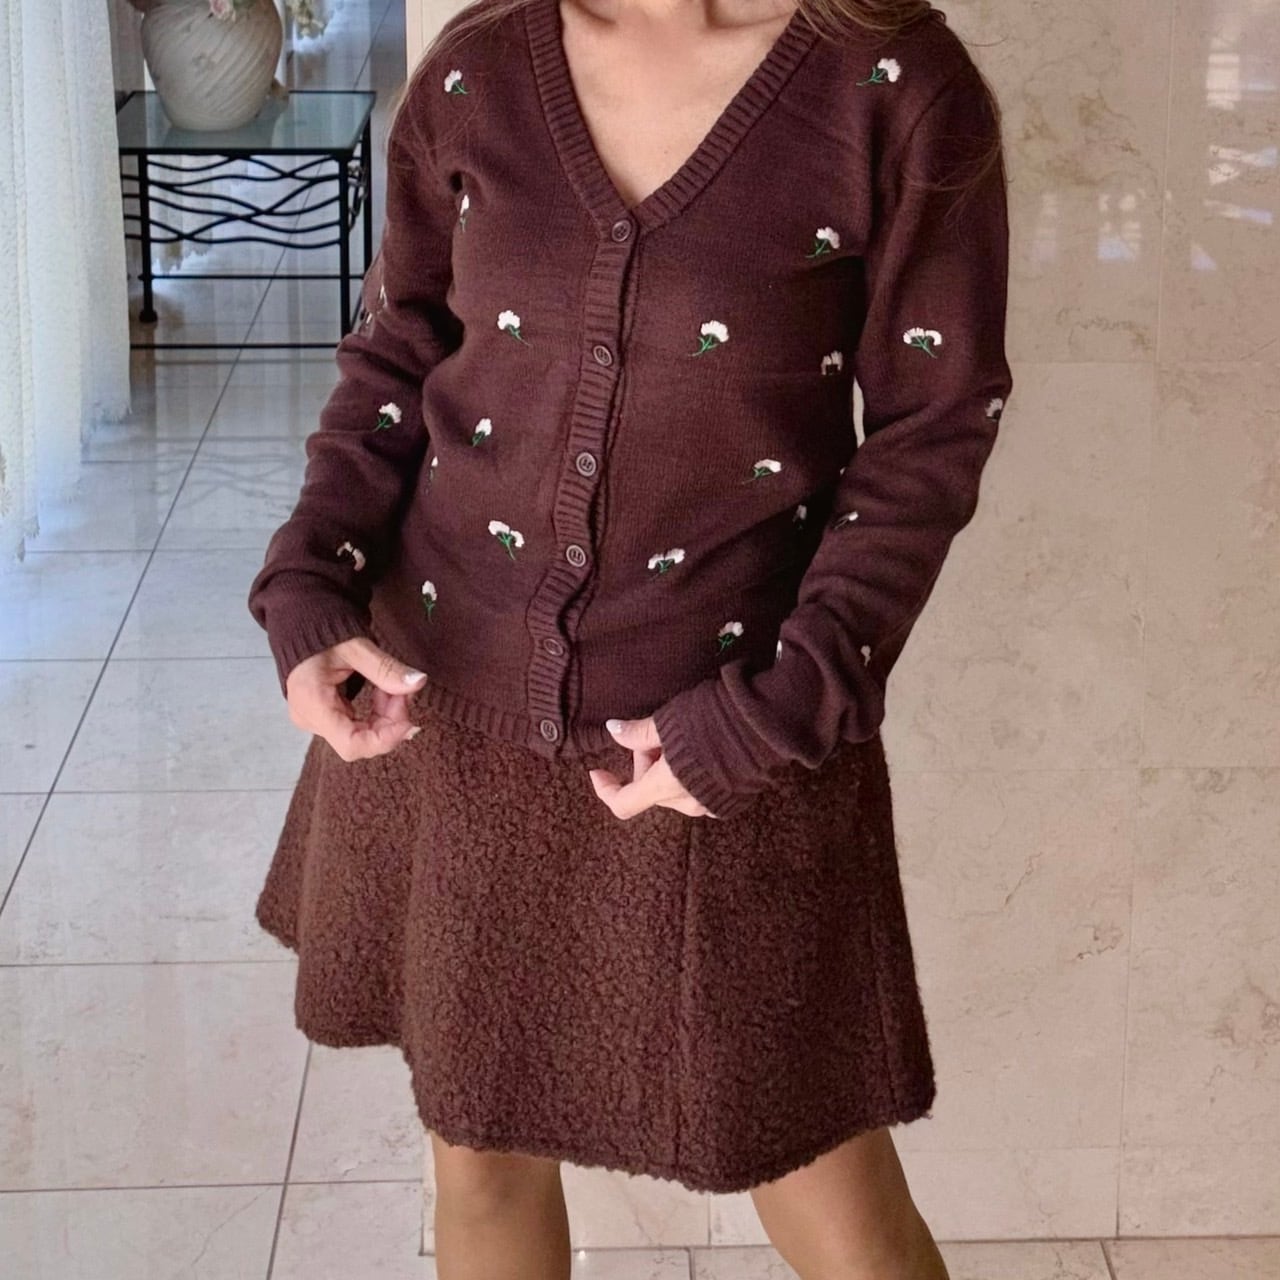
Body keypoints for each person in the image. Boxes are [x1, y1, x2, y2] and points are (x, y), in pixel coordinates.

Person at [247, 0, 1013, 1275]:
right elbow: (396, 353)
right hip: (451, 703)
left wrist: (777, 708)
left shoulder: (888, 83)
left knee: (821, 1169)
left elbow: (930, 434)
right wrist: (306, 587)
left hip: (731, 731)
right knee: (478, 1155)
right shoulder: (481, 66)